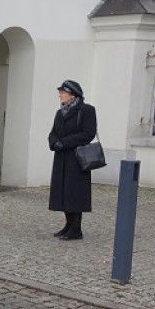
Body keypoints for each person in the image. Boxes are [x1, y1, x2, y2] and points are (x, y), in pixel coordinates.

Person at [49, 79, 97, 240]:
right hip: (61, 157)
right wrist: (53, 141)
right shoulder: (60, 112)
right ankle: (68, 225)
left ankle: (76, 229)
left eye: (63, 92)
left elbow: (88, 133)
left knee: (75, 193)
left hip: (77, 158)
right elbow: (53, 132)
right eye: (60, 92)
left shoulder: (86, 110)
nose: (60, 95)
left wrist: (64, 142)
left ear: (73, 94)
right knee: (63, 192)